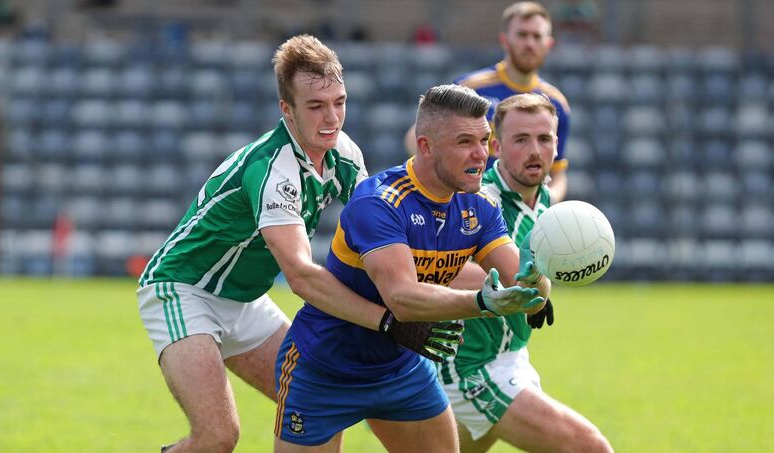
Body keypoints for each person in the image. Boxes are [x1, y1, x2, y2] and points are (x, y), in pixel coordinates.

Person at [137, 34, 461, 453]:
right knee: (217, 437)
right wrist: (389, 322)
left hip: (245, 301)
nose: (332, 118)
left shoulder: (343, 152)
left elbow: (379, 239)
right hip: (184, 291)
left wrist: (478, 290)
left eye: (339, 102)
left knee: (323, 398)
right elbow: (302, 277)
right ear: (286, 110)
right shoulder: (274, 169)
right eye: (315, 106)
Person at [274, 84, 552, 452]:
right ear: (425, 146)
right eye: (464, 142)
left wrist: (538, 283)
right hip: (324, 367)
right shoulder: (379, 201)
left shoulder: (480, 205)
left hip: (401, 367)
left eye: (484, 140)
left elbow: (525, 285)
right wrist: (482, 303)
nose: (480, 154)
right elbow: (402, 299)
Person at [440, 92, 612, 453]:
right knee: (589, 448)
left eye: (544, 139)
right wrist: (516, 282)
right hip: (472, 367)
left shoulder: (545, 201)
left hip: (511, 355)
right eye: (521, 140)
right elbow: (440, 269)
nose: (535, 150)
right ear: (497, 146)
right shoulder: (479, 200)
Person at [404, 1, 572, 204]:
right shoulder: (471, 87)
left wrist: (544, 204)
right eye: (522, 35)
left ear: (548, 44)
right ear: (504, 40)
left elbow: (558, 174)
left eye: (537, 36)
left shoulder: (556, 104)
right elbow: (415, 140)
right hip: (470, 208)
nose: (529, 43)